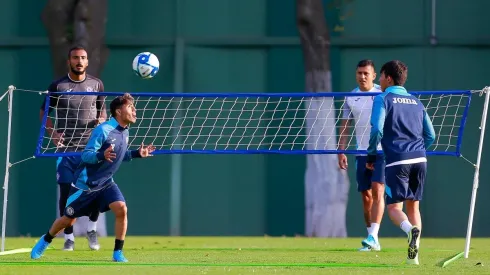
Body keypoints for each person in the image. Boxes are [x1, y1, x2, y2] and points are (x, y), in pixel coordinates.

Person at [31, 93, 155, 262]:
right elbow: (86, 155)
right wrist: (101, 155)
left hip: (106, 183)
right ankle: (45, 240)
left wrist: (136, 154)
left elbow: (118, 155)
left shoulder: (125, 131)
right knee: (68, 220)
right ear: (118, 112)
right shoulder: (103, 130)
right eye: (129, 107)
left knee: (121, 209)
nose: (134, 110)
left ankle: (117, 253)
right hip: (85, 184)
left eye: (134, 107)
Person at [366, 60, 435, 265]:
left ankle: (409, 230)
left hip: (397, 160)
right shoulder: (416, 101)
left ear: (388, 77)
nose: (379, 80)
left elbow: (377, 130)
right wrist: (418, 150)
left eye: (380, 76)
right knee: (414, 208)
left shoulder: (383, 98)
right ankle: (413, 259)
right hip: (420, 157)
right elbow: (430, 135)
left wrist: (371, 154)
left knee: (394, 208)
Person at [39, 45, 107, 251]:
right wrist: (52, 133)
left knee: (94, 190)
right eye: (75, 58)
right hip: (66, 150)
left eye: (83, 58)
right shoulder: (57, 86)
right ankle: (68, 237)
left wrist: (100, 122)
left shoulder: (96, 84)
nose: (79, 61)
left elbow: (102, 112)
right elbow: (44, 113)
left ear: (87, 61)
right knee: (66, 190)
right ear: (69, 61)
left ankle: (92, 230)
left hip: (90, 149)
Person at [338, 59, 385, 252]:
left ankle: (373, 235)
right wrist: (340, 151)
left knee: (377, 190)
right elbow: (345, 126)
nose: (363, 76)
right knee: (366, 197)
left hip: (382, 151)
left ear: (374, 76)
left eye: (366, 73)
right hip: (361, 152)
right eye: (359, 73)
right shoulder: (351, 97)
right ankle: (370, 237)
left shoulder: (383, 95)